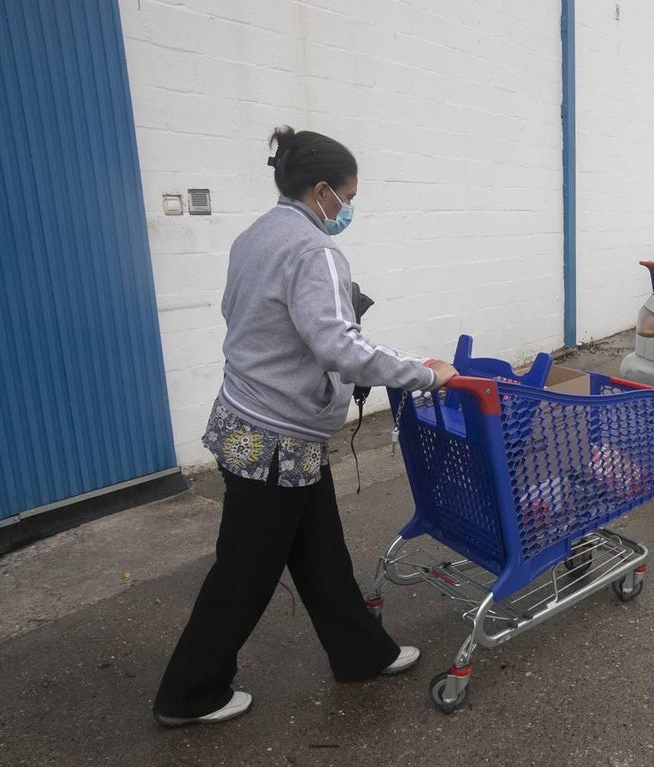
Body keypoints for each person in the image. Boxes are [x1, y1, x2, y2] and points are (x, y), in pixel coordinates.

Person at [152, 126, 458, 727]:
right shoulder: (315, 251)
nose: (348, 209)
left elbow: (241, 314)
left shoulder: (256, 235)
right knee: (245, 569)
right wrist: (422, 373)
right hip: (277, 438)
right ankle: (188, 694)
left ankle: (362, 653)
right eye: (347, 197)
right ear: (321, 191)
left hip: (249, 420)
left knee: (318, 550)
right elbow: (338, 345)